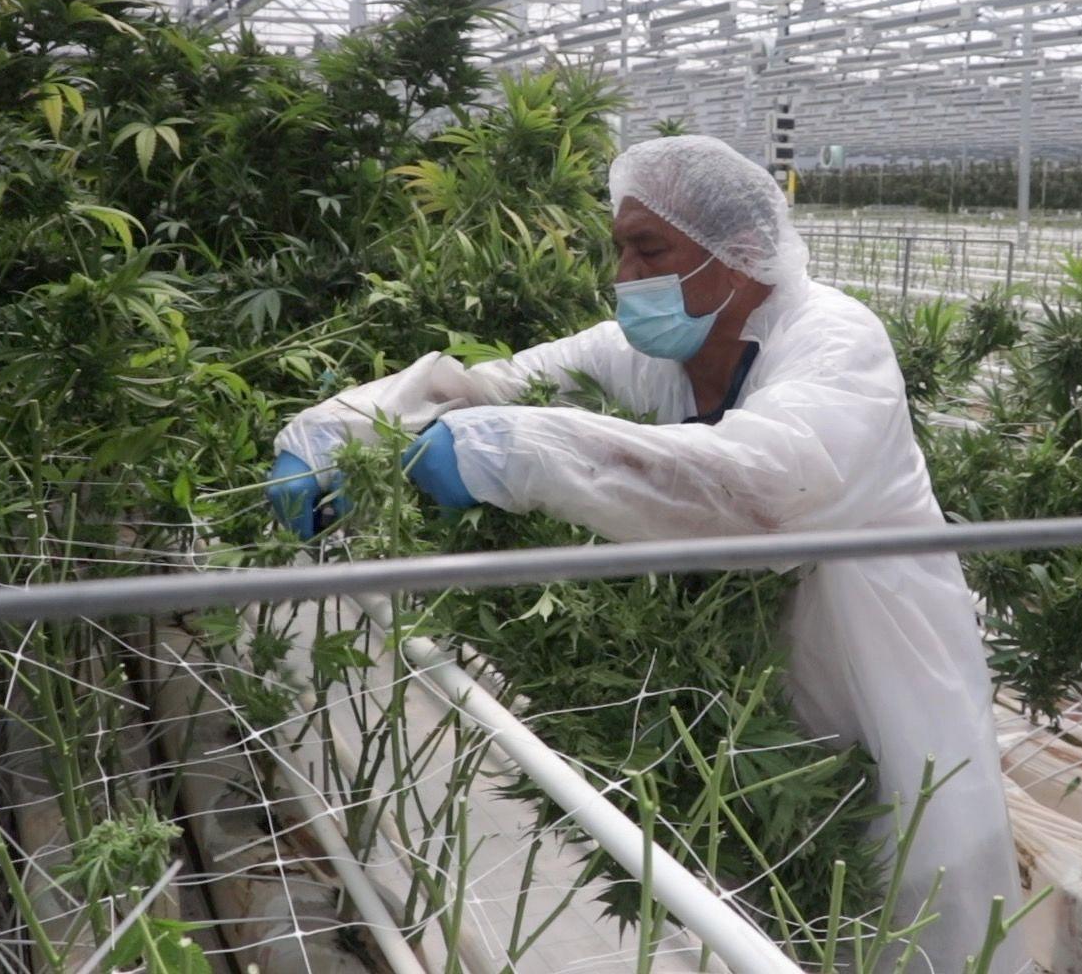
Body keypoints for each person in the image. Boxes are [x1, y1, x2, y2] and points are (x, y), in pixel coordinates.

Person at [269, 135, 1029, 972]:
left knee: (905, 889)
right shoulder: (648, 352)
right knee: (752, 890)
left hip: (878, 663)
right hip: (739, 684)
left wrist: (512, 454)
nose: (625, 275)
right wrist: (334, 430)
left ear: (738, 255)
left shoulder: (836, 340)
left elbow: (764, 490)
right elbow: (487, 387)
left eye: (650, 248)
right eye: (620, 249)